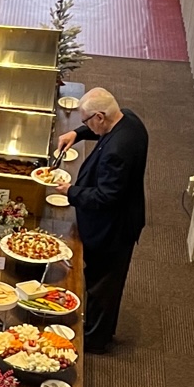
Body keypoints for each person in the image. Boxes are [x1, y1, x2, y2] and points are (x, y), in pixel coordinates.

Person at [55, 86, 149, 352]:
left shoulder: (116, 151)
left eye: (86, 121)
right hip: (121, 218)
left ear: (99, 116)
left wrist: (70, 191)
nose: (86, 125)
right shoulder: (129, 119)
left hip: (113, 228)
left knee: (103, 285)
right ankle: (97, 330)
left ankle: (95, 340)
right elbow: (101, 128)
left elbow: (107, 197)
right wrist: (77, 133)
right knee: (103, 280)